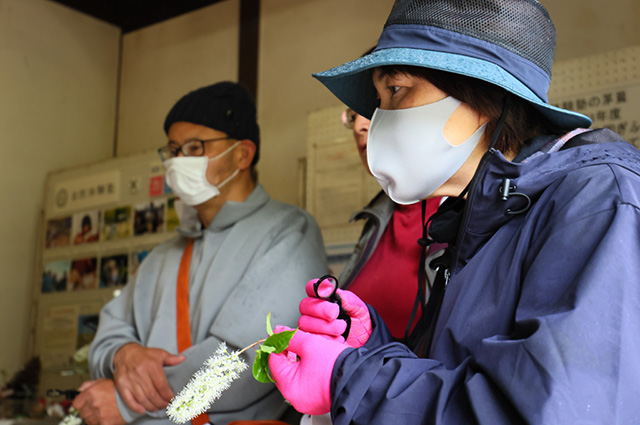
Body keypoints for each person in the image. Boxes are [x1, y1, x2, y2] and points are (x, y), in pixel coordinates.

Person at [268, 1, 640, 424]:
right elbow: (459, 374)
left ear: (478, 93)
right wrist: (371, 346)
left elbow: (547, 412)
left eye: (395, 91)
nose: (374, 120)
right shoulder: (482, 215)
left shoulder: (598, 201)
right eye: (377, 99)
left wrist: (351, 377)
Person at [73, 81, 328, 425]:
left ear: (243, 154)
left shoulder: (288, 231)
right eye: (174, 150)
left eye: (195, 147)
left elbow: (249, 360)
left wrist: (127, 402)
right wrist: (123, 353)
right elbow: (110, 332)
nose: (179, 161)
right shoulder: (164, 255)